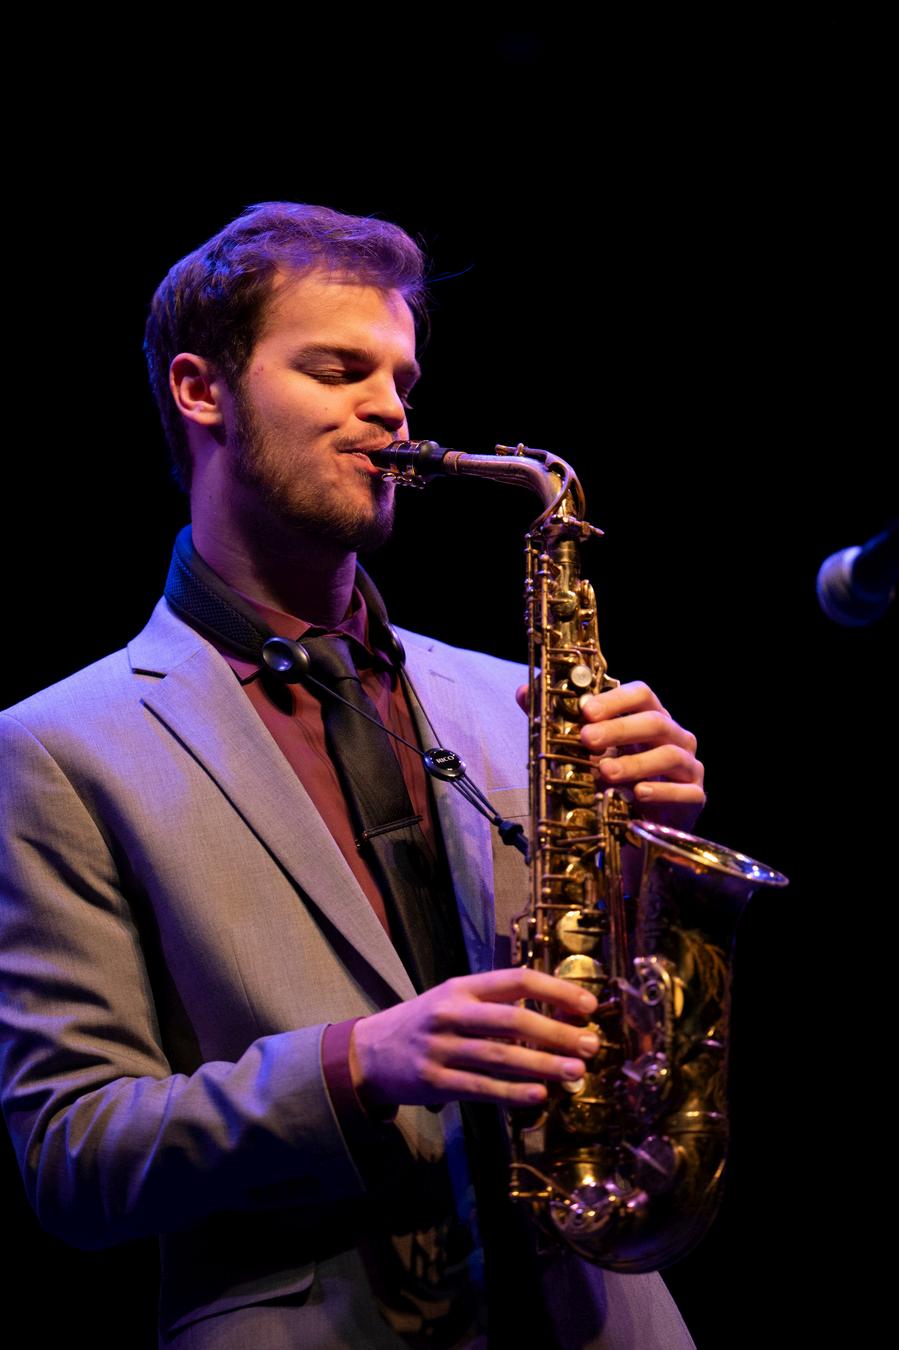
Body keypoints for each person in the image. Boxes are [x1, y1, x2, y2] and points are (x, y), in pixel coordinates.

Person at [0, 203, 705, 1348]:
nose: (389, 409)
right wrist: (356, 1064)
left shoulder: (521, 703)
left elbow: (625, 1032)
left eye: (400, 379)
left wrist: (650, 861)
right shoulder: (61, 747)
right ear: (200, 391)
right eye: (336, 371)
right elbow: (73, 1160)